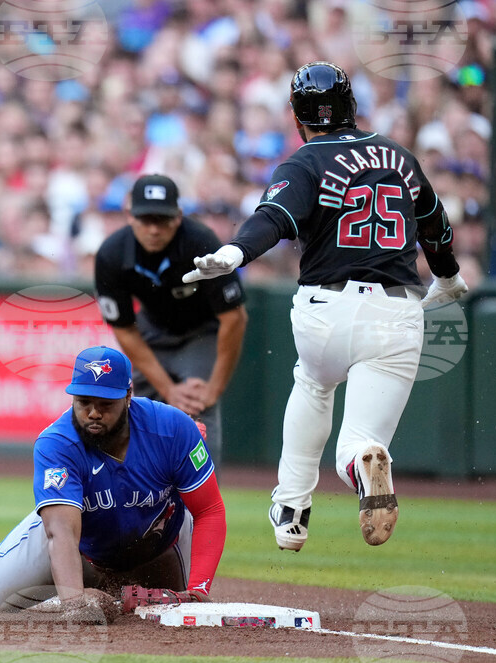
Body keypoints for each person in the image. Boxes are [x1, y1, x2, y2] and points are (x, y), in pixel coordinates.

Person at [183, 62, 468, 552]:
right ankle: (361, 463)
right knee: (360, 439)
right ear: (351, 106)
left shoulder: (306, 161)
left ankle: (292, 509)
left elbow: (273, 218)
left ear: (297, 116)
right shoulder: (399, 157)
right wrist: (448, 275)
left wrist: (235, 253)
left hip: (327, 307)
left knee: (313, 383)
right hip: (397, 313)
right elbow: (436, 225)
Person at [0, 346, 227, 612]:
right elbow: (62, 532)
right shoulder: (58, 443)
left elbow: (209, 509)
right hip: (79, 544)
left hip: (159, 542)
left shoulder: (172, 429)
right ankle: (54, 506)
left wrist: (199, 590)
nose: (93, 413)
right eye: (84, 402)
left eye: (105, 403)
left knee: (183, 607)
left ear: (128, 396)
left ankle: (115, 581)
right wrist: (74, 602)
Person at [93, 174, 247, 470]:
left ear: (178, 216)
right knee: (139, 413)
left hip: (201, 332)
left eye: (162, 219)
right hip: (151, 331)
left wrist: (215, 388)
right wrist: (167, 388)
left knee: (196, 402)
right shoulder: (112, 254)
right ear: (129, 215)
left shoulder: (201, 241)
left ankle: (203, 495)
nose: (153, 229)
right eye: (145, 219)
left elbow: (234, 317)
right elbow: (123, 329)